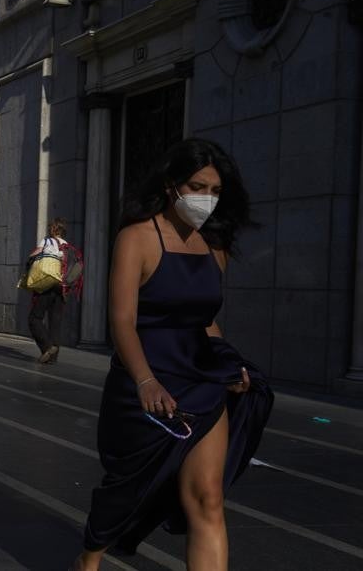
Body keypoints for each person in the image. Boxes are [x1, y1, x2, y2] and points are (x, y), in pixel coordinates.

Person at [74, 139, 273, 571]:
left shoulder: (214, 246)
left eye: (216, 191)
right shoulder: (136, 237)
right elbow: (122, 321)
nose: (207, 198)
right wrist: (146, 380)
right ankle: (89, 559)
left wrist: (229, 362)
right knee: (125, 492)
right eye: (197, 186)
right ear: (171, 186)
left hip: (201, 379)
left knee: (208, 497)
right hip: (144, 381)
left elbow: (205, 320)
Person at [27, 217, 69, 364]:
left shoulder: (47, 241)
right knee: (55, 323)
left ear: (52, 229)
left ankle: (47, 347)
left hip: (47, 284)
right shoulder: (67, 246)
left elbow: (35, 254)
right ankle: (52, 358)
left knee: (34, 318)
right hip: (61, 288)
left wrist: (30, 259)